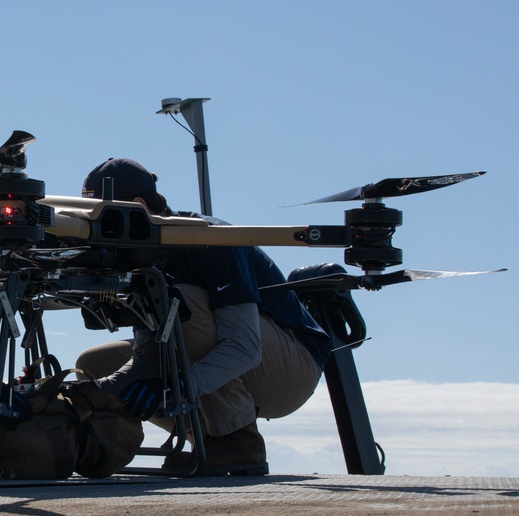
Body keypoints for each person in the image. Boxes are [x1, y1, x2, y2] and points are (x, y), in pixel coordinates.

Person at [76, 158, 332, 476]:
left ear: (138, 206)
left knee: (178, 303)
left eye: (103, 219)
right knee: (94, 362)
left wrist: (175, 390)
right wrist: (87, 396)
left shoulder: (210, 239)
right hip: (242, 360)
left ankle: (236, 441)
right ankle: (202, 438)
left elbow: (243, 347)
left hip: (291, 371)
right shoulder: (139, 259)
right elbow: (148, 359)